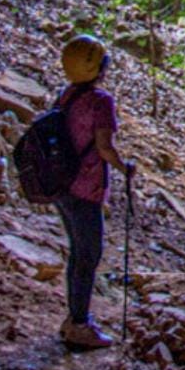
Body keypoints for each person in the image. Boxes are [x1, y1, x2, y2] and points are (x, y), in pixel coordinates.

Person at [54, 34, 133, 349]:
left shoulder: (66, 95)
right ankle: (79, 325)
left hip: (62, 186)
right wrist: (125, 168)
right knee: (88, 256)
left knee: (78, 253)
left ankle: (74, 316)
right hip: (85, 188)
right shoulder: (101, 101)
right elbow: (104, 147)